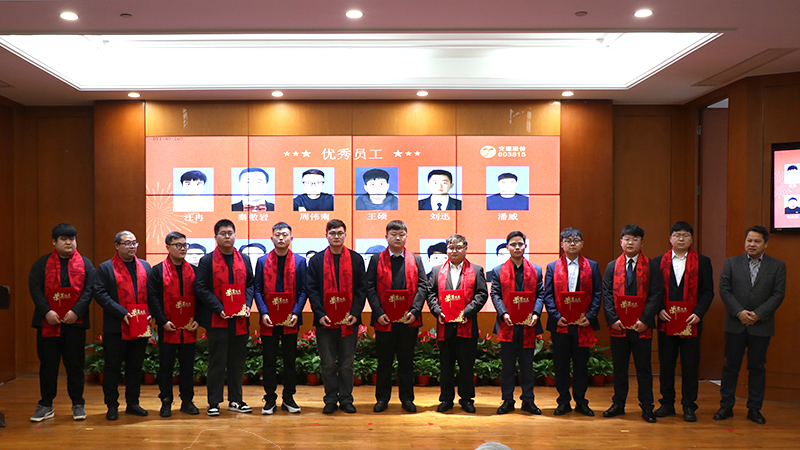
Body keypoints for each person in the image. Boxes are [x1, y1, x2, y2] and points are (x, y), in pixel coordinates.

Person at [714, 226, 785, 425]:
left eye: (757, 241)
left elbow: (778, 294)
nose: (752, 244)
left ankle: (754, 408)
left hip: (761, 325)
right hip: (735, 323)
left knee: (757, 367)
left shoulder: (777, 266)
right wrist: (739, 312)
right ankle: (726, 406)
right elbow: (724, 289)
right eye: (749, 240)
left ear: (765, 244)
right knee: (731, 366)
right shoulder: (731, 263)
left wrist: (758, 314)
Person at [28, 223, 96, 422]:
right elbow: (35, 288)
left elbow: (90, 290)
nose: (69, 242)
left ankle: (78, 404)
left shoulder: (86, 264)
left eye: (72, 239)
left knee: (75, 365)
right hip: (48, 322)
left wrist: (76, 311)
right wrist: (46, 311)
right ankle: (45, 405)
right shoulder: (41, 264)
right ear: (54, 241)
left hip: (75, 323)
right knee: (48, 365)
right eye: (64, 239)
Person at [651, 222, 714, 422]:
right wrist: (659, 309)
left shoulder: (703, 262)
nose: (681, 239)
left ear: (691, 239)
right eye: (677, 235)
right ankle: (667, 403)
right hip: (666, 321)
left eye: (685, 235)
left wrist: (698, 313)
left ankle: (689, 405)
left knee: (690, 365)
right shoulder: (658, 262)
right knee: (666, 365)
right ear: (670, 238)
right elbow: (653, 291)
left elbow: (708, 292)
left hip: (691, 322)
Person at [602, 224, 663, 423]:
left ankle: (647, 407)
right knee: (619, 368)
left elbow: (656, 294)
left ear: (641, 243)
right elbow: (607, 295)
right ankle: (618, 404)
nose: (630, 243)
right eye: (627, 239)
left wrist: (645, 320)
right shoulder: (612, 266)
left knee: (644, 369)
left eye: (635, 239)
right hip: (618, 326)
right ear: (621, 242)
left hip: (641, 327)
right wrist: (613, 320)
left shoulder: (651, 265)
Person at [366, 220, 427, 413]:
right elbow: (370, 287)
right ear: (386, 237)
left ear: (406, 236)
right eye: (393, 234)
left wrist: (415, 311)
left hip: (409, 320)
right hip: (384, 319)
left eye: (401, 234)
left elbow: (423, 286)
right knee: (384, 363)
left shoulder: (415, 259)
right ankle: (382, 399)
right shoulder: (376, 259)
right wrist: (378, 313)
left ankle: (407, 399)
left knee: (406, 362)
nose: (398, 238)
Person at [195, 219, 255, 416]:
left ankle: (236, 400)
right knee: (217, 361)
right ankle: (214, 402)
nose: (227, 236)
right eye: (223, 233)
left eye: (230, 233)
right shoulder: (207, 261)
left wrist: (247, 304)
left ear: (235, 235)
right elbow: (201, 288)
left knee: (237, 362)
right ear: (216, 237)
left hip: (240, 320)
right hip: (217, 319)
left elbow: (250, 285)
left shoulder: (244, 259)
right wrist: (219, 308)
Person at [307, 219, 366, 414]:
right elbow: (312, 290)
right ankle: (331, 399)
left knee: (347, 364)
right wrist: (320, 314)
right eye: (332, 233)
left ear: (345, 235)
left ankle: (346, 399)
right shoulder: (316, 261)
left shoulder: (356, 259)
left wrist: (355, 313)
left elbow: (361, 289)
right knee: (328, 363)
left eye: (340, 233)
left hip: (349, 320)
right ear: (326, 235)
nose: (336, 236)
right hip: (325, 321)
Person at [543, 227, 602, 417]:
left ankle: (581, 402)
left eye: (576, 240)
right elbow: (548, 294)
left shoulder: (592, 266)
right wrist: (555, 316)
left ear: (582, 243)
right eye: (568, 240)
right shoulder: (552, 267)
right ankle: (563, 402)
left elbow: (598, 294)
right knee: (561, 365)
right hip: (560, 324)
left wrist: (590, 316)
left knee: (581, 365)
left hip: (583, 324)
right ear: (562, 244)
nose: (572, 243)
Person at [94, 230, 152, 420]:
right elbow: (100, 294)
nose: (132, 246)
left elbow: (152, 293)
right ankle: (112, 405)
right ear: (117, 246)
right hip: (116, 327)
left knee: (135, 367)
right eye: (127, 243)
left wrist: (151, 313)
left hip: (139, 325)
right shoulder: (106, 268)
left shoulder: (145, 266)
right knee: (112, 367)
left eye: (134, 243)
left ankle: (133, 403)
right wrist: (121, 312)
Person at [427, 234, 488, 413]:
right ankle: (446, 399)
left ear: (465, 249)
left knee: (466, 366)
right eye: (451, 248)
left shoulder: (476, 270)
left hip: (467, 326)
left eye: (458, 247)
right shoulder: (437, 271)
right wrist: (437, 311)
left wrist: (467, 312)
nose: (454, 251)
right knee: (446, 366)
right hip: (445, 326)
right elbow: (430, 294)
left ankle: (467, 399)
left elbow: (482, 294)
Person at [254, 222, 307, 415]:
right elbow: (257, 290)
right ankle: (269, 399)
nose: (281, 238)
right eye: (277, 235)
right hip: (268, 319)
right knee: (269, 361)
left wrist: (296, 312)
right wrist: (263, 312)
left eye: (285, 234)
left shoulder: (300, 261)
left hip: (291, 319)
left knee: (289, 361)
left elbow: (304, 290)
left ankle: (289, 398)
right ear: (272, 238)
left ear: (291, 238)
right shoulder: (262, 261)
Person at [147, 231, 201, 417]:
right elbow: (153, 298)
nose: (183, 248)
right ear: (168, 248)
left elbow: (200, 298)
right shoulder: (157, 270)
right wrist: (162, 321)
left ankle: (187, 401)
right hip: (167, 327)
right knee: (166, 366)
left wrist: (198, 320)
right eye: (178, 245)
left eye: (185, 245)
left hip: (189, 327)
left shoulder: (194, 270)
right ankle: (166, 401)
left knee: (187, 366)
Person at [489, 231, 543, 415]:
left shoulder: (536, 270)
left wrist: (536, 313)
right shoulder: (498, 271)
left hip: (529, 324)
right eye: (513, 244)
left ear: (525, 246)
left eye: (520, 244)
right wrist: (503, 313)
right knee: (508, 366)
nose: (517, 247)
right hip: (508, 324)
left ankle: (528, 400)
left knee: (527, 365)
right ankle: (507, 400)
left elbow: (540, 294)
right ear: (507, 247)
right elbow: (495, 294)